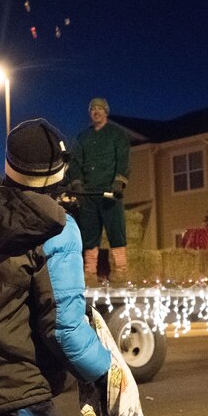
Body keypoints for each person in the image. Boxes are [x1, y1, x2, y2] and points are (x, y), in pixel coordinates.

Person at [0, 118, 113, 416]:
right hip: (18, 381)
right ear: (57, 173)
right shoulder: (57, 229)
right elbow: (64, 328)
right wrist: (107, 370)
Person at [68, 97, 130, 285]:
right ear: (90, 113)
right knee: (89, 234)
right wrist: (77, 182)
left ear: (106, 112)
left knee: (115, 231)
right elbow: (75, 161)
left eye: (100, 109)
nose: (96, 112)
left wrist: (119, 182)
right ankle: (90, 273)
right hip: (89, 194)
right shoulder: (82, 137)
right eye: (93, 109)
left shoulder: (117, 135)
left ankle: (121, 271)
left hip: (110, 193)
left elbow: (123, 159)